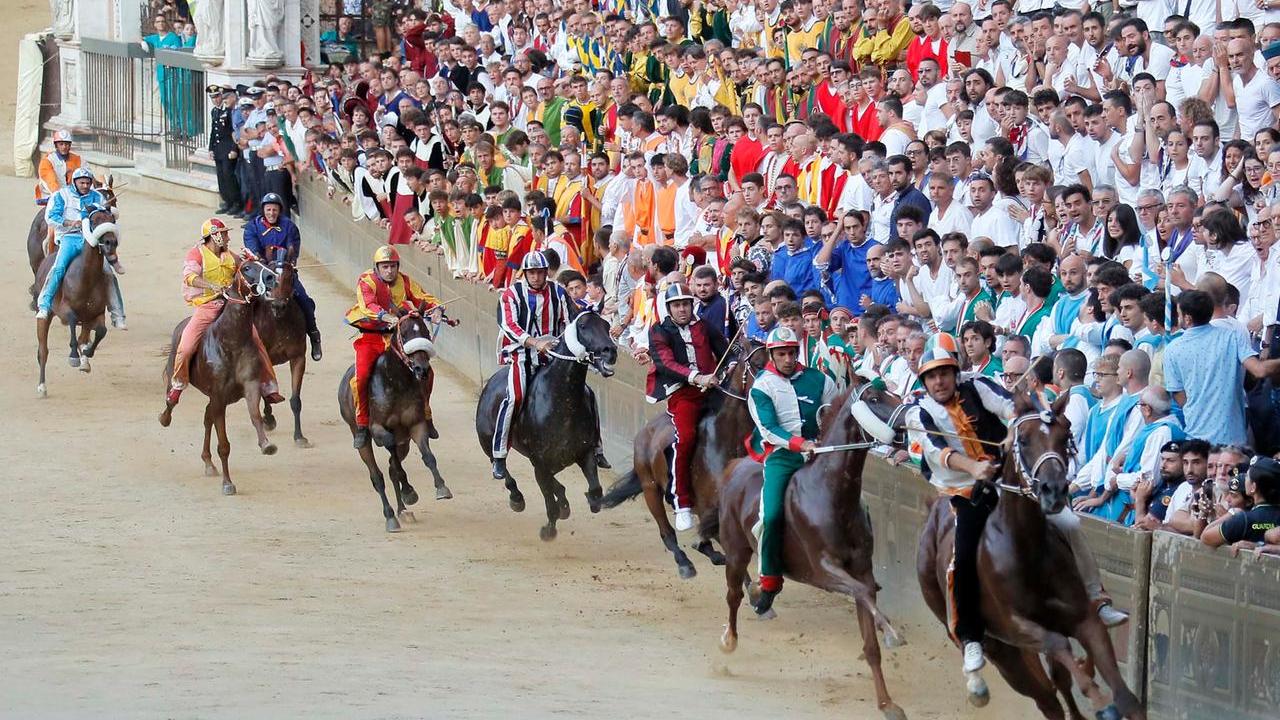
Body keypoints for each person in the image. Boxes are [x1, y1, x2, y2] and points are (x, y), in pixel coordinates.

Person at [901, 346, 1012, 675]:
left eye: (944, 374)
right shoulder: (917, 413)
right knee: (961, 558)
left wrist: (1014, 428)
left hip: (1007, 478)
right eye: (932, 376)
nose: (939, 382)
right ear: (924, 381)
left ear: (955, 374)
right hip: (963, 491)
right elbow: (936, 451)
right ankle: (971, 636)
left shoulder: (978, 385)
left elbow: (1011, 406)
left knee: (1065, 520)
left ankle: (1095, 596)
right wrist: (973, 468)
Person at [746, 326, 838, 616]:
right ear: (771, 355)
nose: (788, 359)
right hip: (782, 457)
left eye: (791, 353)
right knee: (771, 516)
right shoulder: (761, 387)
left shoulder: (820, 379)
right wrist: (801, 444)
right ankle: (769, 579)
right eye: (782, 354)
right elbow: (769, 430)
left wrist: (824, 439)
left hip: (819, 455)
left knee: (856, 502)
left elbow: (834, 412)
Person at [161, 218, 284, 416]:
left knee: (256, 341)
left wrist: (252, 261)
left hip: (230, 306)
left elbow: (245, 271)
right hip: (207, 306)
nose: (228, 238)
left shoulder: (230, 255)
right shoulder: (197, 254)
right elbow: (189, 277)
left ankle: (268, 385)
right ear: (215, 236)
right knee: (186, 347)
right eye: (225, 234)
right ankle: (178, 384)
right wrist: (211, 286)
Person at [646, 282, 729, 532]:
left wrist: (731, 364)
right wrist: (697, 377)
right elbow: (666, 364)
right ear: (669, 308)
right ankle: (681, 503)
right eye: (677, 305)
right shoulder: (659, 331)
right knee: (685, 438)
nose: (682, 309)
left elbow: (727, 350)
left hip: (713, 389)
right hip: (683, 394)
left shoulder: (704, 326)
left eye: (685, 304)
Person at [344, 245, 441, 449]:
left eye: (393, 266)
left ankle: (425, 413)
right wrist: (384, 316)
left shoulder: (404, 281)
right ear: (377, 267)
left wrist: (436, 309)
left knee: (427, 371)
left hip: (397, 339)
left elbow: (423, 297)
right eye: (385, 267)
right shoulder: (366, 281)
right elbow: (368, 305)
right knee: (361, 377)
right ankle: (362, 423)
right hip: (371, 338)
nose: (389, 271)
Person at [490, 251, 573, 479]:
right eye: (532, 273)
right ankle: (499, 454)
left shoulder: (559, 292)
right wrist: (535, 343)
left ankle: (596, 447)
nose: (536, 277)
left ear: (546, 273)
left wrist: (561, 343)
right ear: (525, 274)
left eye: (540, 273)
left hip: (554, 352)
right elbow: (509, 326)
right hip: (522, 353)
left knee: (583, 391)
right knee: (515, 397)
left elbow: (569, 321)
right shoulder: (511, 294)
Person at [242, 192, 323, 360]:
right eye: (268, 209)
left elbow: (293, 248)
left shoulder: (289, 227)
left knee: (304, 300)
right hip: (262, 273)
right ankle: (240, 339)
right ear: (263, 210)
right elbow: (253, 249)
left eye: (275, 210)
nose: (271, 213)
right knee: (243, 301)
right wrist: (262, 260)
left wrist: (289, 261)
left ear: (280, 211)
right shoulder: (252, 227)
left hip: (284, 272)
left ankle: (314, 335)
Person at [35, 168, 113, 322]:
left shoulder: (97, 197)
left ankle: (116, 312)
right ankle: (44, 303)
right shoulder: (61, 195)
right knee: (59, 267)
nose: (85, 186)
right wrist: (70, 222)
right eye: (82, 183)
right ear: (75, 182)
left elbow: (104, 216)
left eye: (87, 183)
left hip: (90, 239)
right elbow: (51, 217)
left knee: (108, 272)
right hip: (69, 237)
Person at [1201, 457, 1280, 548]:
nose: (1245, 479)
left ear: (1253, 487)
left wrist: (1231, 513)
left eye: (1247, 476)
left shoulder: (1244, 519)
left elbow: (1205, 537)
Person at [35, 129, 83, 206]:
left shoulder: (77, 159)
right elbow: (51, 182)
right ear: (56, 145)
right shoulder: (47, 161)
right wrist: (61, 196)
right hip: (52, 195)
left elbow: (86, 175)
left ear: (70, 145)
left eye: (67, 144)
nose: (64, 147)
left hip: (74, 196)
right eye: (61, 144)